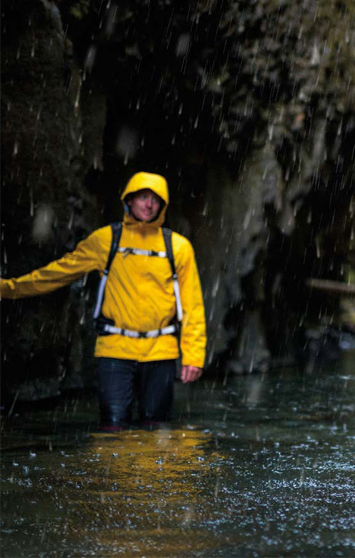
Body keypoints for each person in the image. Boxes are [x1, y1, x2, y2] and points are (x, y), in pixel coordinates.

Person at [1, 172, 206, 430]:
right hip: (115, 350)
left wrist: (193, 356)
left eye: (155, 199)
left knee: (157, 429)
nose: (148, 204)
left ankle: (152, 472)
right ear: (128, 200)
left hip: (161, 352)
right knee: (113, 427)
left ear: (163, 205)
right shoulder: (106, 240)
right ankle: (115, 471)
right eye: (142, 197)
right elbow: (58, 273)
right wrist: (8, 289)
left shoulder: (179, 247)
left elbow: (192, 306)